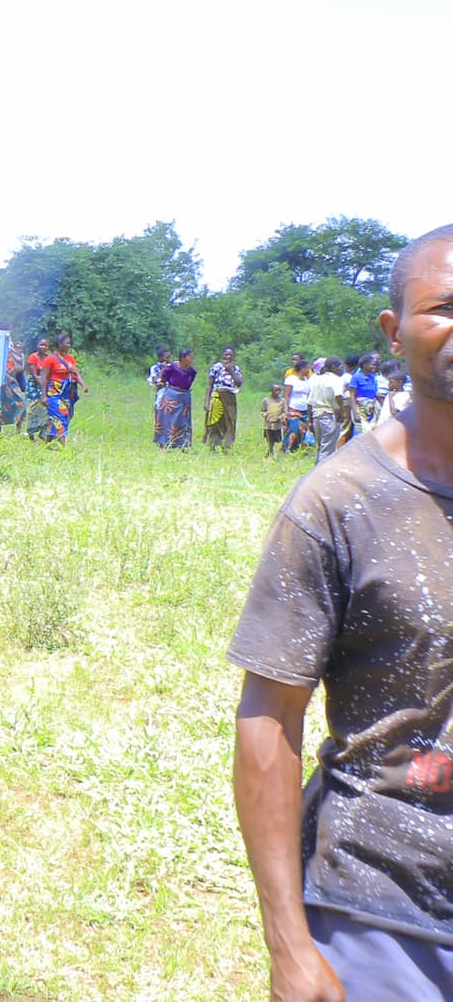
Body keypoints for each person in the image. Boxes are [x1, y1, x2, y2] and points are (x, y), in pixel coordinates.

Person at [230, 223, 453, 1001]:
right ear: (395, 333)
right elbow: (270, 719)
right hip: (386, 918)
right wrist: (290, 948)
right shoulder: (337, 503)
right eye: (446, 306)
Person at [37, 334, 89, 445]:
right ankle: (64, 447)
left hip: (67, 393)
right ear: (60, 344)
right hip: (54, 392)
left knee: (67, 415)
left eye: (70, 343)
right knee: (61, 415)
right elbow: (44, 378)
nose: (69, 345)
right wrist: (44, 395)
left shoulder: (70, 359)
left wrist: (83, 384)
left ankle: (47, 442)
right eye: (67, 343)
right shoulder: (50, 359)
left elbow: (76, 373)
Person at [307, 354, 352, 465]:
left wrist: (310, 421)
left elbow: (309, 403)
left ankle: (316, 470)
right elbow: (338, 396)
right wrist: (341, 411)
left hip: (316, 415)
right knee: (328, 449)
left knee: (321, 447)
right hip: (329, 415)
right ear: (333, 368)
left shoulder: (316, 379)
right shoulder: (336, 380)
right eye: (341, 367)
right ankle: (320, 475)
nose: (343, 369)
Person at [206, 345, 246, 452]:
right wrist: (207, 401)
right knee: (215, 421)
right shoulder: (216, 367)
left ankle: (227, 446)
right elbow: (209, 385)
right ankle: (214, 445)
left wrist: (231, 371)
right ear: (222, 356)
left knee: (230, 421)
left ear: (234, 357)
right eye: (226, 355)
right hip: (217, 396)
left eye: (230, 355)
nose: (228, 357)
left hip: (230, 398)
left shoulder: (236, 369)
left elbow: (239, 383)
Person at [158, 349, 196, 450]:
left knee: (183, 421)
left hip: (184, 397)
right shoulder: (171, 368)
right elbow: (163, 379)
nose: (192, 360)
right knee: (167, 419)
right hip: (171, 396)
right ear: (183, 358)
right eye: (190, 357)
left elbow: (189, 384)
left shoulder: (192, 371)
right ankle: (163, 443)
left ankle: (182, 444)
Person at [284, 356, 315, 454]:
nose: (308, 370)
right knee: (294, 429)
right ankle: (286, 448)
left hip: (305, 409)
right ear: (302, 368)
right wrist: (286, 409)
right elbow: (287, 395)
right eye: (307, 368)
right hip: (294, 408)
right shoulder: (291, 379)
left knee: (303, 430)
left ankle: (297, 449)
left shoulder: (307, 381)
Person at [148, 346, 173, 448]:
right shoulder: (155, 368)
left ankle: (170, 440)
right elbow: (156, 382)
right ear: (160, 358)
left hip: (172, 394)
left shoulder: (173, 366)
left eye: (169, 357)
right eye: (166, 357)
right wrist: (164, 372)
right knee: (160, 417)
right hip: (161, 395)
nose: (168, 360)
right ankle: (160, 441)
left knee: (171, 417)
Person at [351, 353, 382, 433]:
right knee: (359, 432)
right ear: (364, 365)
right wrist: (355, 413)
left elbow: (374, 393)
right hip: (360, 409)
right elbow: (352, 396)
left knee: (370, 431)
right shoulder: (356, 377)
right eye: (372, 365)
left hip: (371, 410)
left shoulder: (373, 377)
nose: (374, 367)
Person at [260, 383, 287, 459]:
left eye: (279, 390)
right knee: (269, 439)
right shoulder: (266, 400)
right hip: (268, 424)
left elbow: (285, 412)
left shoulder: (282, 401)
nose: (278, 392)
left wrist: (280, 417)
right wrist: (267, 416)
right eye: (276, 390)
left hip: (277, 425)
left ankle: (269, 452)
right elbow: (262, 411)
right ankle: (270, 453)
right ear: (271, 391)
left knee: (276, 440)